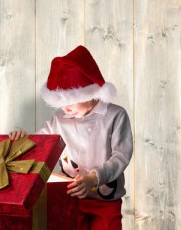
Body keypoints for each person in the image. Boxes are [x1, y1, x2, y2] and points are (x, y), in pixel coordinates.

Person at [9, 45, 133, 230]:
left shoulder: (115, 115)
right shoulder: (58, 121)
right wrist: (21, 140)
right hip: (71, 197)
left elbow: (121, 156)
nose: (65, 108)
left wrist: (94, 177)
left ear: (89, 92)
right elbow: (38, 145)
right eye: (60, 102)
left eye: (69, 100)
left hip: (106, 200)